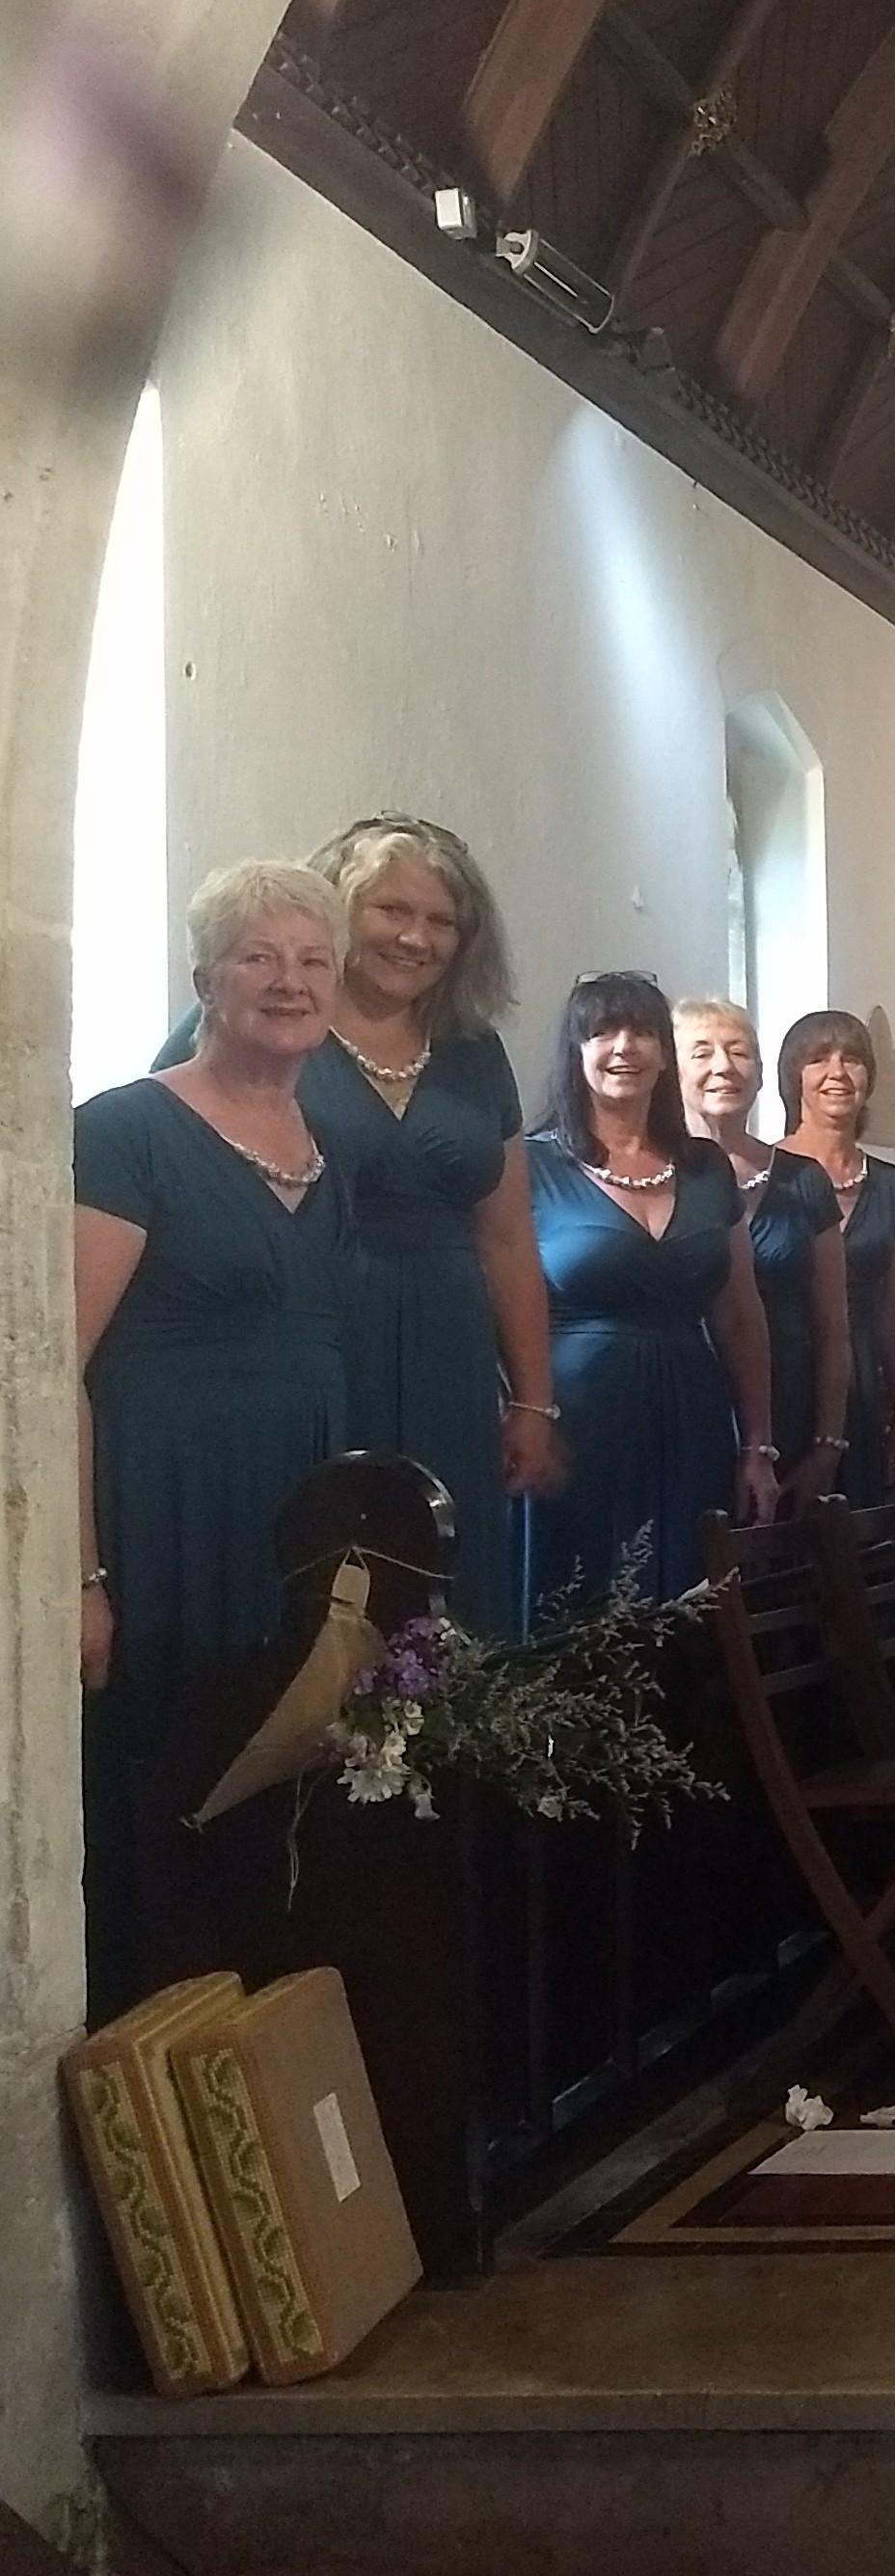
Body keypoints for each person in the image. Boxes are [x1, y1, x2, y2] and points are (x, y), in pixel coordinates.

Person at [75, 862, 360, 2016]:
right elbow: (52, 1369)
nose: (288, 983)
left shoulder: (321, 1135)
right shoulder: (125, 1129)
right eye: (259, 957)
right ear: (205, 981)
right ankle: (156, 2059)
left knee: (272, 1788)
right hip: (165, 1508)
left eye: (312, 961)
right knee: (168, 1779)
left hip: (287, 1512)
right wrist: (83, 1576)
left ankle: (259, 2058)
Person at [156, 815, 557, 1624]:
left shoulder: (476, 1052)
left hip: (450, 1350)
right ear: (340, 911)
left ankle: (443, 1750)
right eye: (390, 910)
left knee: (444, 1585)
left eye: (442, 920)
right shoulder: (265, 1021)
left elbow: (508, 1239)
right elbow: (174, 1176)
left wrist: (533, 1400)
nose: (416, 937)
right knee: (317, 1575)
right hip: (312, 1337)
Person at [519, 972, 777, 1620]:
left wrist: (757, 1445)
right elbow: (497, 1306)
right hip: (575, 1426)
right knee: (573, 1607)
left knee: (688, 1604)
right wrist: (523, 1415)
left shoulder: (704, 1168)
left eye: (641, 1031)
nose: (623, 1047)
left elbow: (740, 1315)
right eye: (601, 1031)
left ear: (664, 1052)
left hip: (692, 1419)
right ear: (574, 1054)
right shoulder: (528, 1165)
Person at [679, 998, 851, 1510]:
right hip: (690, 1400)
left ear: (760, 1075)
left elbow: (833, 1327)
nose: (723, 1067)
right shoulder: (656, 1179)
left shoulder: (803, 1180)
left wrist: (828, 1442)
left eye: (739, 1052)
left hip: (791, 1404)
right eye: (701, 1052)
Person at [774, 1008, 895, 1500]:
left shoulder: (890, 1185)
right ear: (793, 1075)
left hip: (862, 1385)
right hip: (784, 1373)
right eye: (819, 1059)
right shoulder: (764, 1174)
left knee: (858, 1548)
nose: (837, 1072)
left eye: (853, 1060)